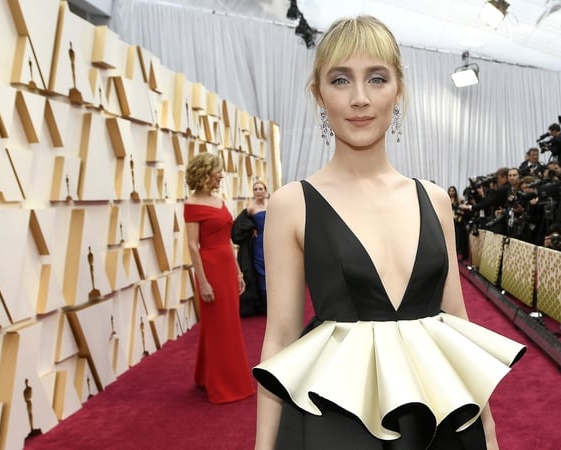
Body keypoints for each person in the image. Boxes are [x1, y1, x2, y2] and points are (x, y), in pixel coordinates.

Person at [253, 16, 525, 450]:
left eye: (377, 78)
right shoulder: (292, 204)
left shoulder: (434, 199)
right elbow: (280, 338)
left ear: (398, 90)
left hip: (439, 417)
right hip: (336, 422)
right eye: (341, 80)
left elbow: (457, 322)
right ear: (318, 94)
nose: (360, 98)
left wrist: (487, 426)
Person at [184, 152, 256, 404]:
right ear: (205, 173)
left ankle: (206, 375)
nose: (221, 176)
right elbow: (193, 246)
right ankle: (225, 385)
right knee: (220, 327)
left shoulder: (218, 200)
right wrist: (203, 282)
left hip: (226, 267)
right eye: (217, 171)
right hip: (210, 270)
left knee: (228, 323)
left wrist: (238, 271)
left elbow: (226, 240)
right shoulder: (192, 204)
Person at [232, 180, 270, 316]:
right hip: (258, 244)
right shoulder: (250, 208)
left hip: (273, 241)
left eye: (260, 189)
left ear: (265, 191)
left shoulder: (272, 205)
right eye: (255, 189)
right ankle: (266, 306)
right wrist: (251, 227)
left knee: (274, 272)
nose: (258, 191)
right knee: (262, 273)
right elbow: (238, 225)